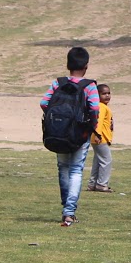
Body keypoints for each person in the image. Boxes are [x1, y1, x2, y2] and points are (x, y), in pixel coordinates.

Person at [40, 46, 99, 226]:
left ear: (68, 64)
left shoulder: (58, 83)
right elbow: (95, 108)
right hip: (79, 134)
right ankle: (69, 211)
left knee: (63, 168)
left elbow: (44, 103)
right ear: (86, 66)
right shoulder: (89, 86)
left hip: (59, 132)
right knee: (76, 170)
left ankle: (66, 207)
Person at [87, 83, 115, 193]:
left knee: (98, 161)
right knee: (106, 160)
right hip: (100, 138)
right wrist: (98, 135)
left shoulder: (102, 106)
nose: (107, 96)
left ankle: (92, 184)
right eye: (104, 94)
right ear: (97, 95)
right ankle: (102, 184)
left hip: (98, 138)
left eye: (108, 93)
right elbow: (98, 122)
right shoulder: (101, 107)